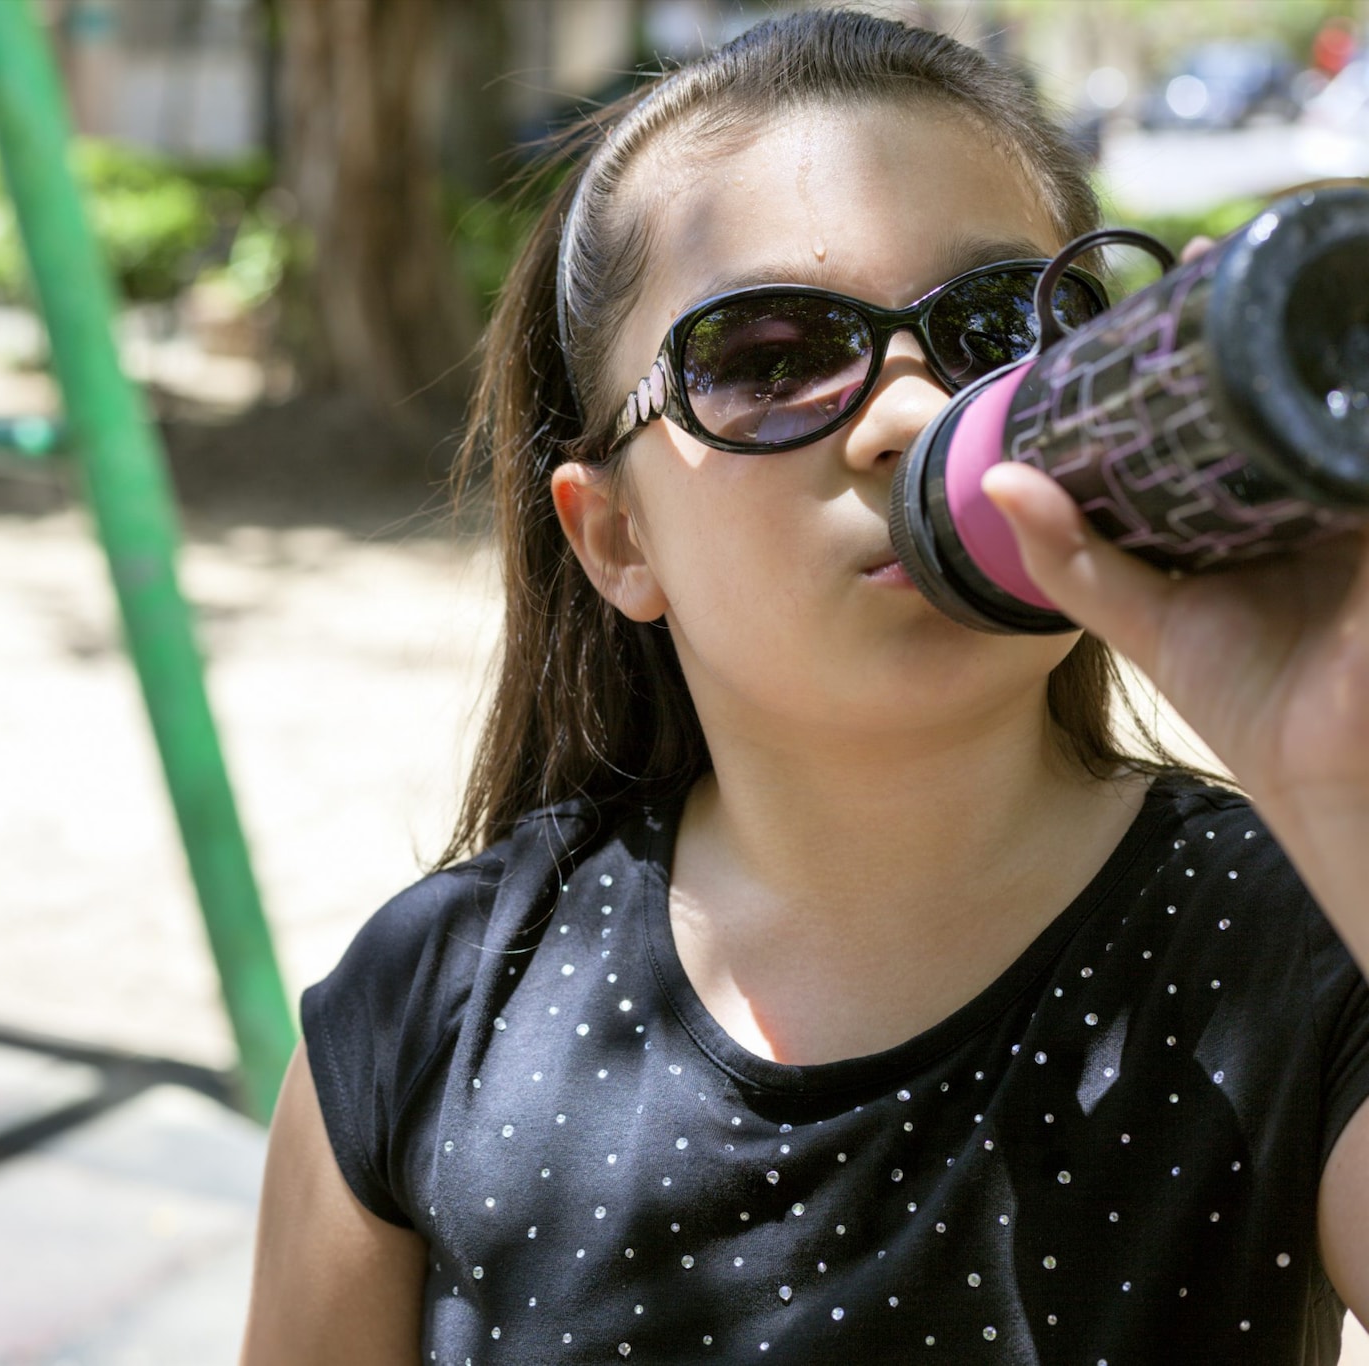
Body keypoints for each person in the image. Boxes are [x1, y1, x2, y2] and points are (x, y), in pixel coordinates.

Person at [240, 9, 1368, 1364]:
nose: (911, 414)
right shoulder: (423, 1013)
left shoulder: (1303, 941)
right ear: (616, 537)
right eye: (768, 358)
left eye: (1001, 324)